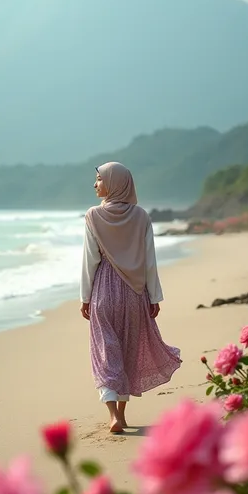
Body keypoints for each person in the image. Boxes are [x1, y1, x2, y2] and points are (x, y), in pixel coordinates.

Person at [80, 161, 182, 433]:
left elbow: (90, 260)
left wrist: (85, 297)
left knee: (106, 353)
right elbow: (150, 261)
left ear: (113, 183)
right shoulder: (141, 216)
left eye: (99, 179)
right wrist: (154, 297)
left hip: (103, 290)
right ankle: (122, 416)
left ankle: (112, 414)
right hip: (135, 293)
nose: (95, 184)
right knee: (128, 352)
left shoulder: (93, 216)